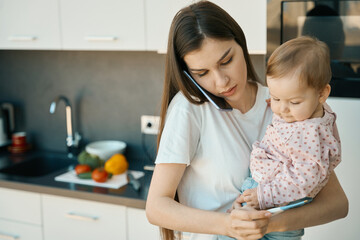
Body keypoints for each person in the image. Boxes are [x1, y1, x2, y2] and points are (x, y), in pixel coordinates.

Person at [145, 1, 348, 240]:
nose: (221, 82)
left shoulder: (284, 104)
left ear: (241, 44)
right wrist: (228, 226)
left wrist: (268, 224)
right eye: (203, 73)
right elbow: (156, 207)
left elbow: (337, 204)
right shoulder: (188, 109)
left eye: (226, 61)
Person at [222, 36, 342, 240]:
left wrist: (263, 196)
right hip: (276, 198)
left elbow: (303, 181)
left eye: (294, 102)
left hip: (277, 201)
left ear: (322, 94)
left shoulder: (309, 134)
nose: (281, 109)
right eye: (276, 98)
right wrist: (284, 100)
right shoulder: (315, 111)